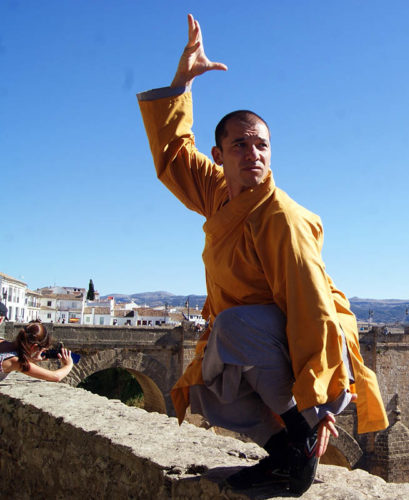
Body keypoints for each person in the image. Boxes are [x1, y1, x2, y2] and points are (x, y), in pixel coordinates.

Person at [137, 14, 388, 494]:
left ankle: (300, 438)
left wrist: (319, 406)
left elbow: (311, 309)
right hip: (260, 339)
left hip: (306, 332)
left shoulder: (282, 218)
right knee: (211, 392)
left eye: (262, 146)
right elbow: (172, 155)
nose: (253, 154)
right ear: (219, 155)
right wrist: (182, 81)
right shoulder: (218, 193)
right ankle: (284, 455)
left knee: (231, 330)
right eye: (240, 145)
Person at [0, 321, 74, 382]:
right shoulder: (15, 361)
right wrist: (68, 365)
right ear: (34, 346)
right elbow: (55, 377)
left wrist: (30, 360)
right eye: (41, 348)